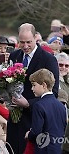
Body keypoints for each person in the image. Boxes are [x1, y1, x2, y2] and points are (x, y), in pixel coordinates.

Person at [7, 23, 59, 154]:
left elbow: (54, 93)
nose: (25, 46)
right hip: (14, 118)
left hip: (35, 120)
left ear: (36, 37)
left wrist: (28, 104)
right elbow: (8, 82)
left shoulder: (49, 60)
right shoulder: (14, 56)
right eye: (21, 42)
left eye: (28, 42)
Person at [25, 68, 67, 154]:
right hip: (58, 148)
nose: (32, 89)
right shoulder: (61, 106)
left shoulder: (39, 105)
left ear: (44, 85)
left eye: (34, 85)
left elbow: (36, 132)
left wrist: (29, 135)